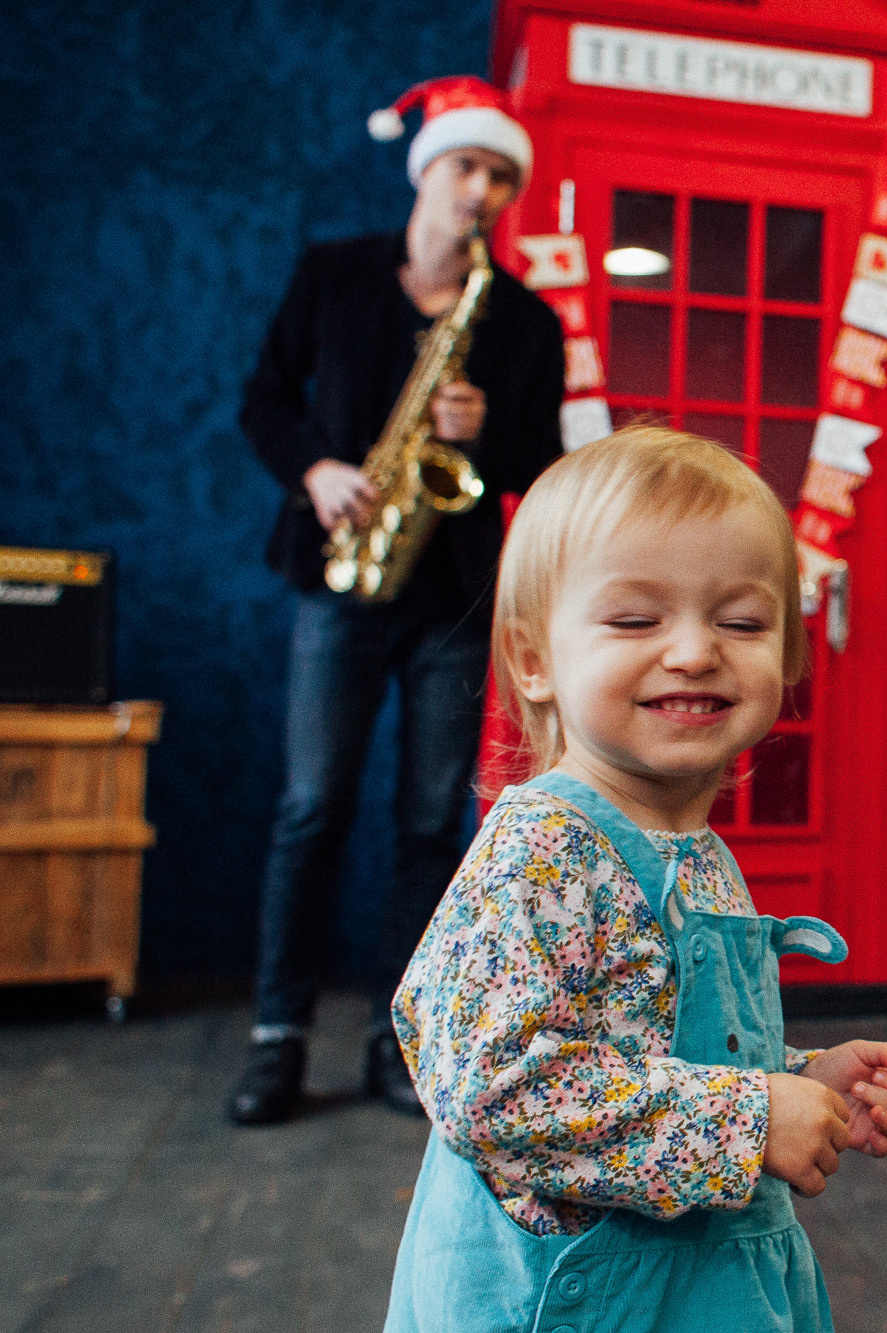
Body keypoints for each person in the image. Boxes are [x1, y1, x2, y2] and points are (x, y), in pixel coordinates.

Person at [383, 427, 887, 1331]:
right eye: (636, 619)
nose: (694, 651)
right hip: (571, 1302)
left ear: (787, 659)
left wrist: (801, 1079)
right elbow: (490, 1085)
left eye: (741, 621)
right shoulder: (542, 849)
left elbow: (649, 1049)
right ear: (532, 661)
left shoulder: (698, 850)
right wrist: (751, 1119)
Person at [231, 77, 566, 1125]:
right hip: (341, 576)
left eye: (501, 176)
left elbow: (544, 460)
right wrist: (318, 471)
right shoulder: (332, 277)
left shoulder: (520, 319)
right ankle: (277, 1037)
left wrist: (484, 432)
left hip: (453, 596)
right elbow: (261, 402)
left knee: (429, 822)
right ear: (427, 169)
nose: (483, 190)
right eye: (468, 166)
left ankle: (400, 1039)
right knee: (310, 809)